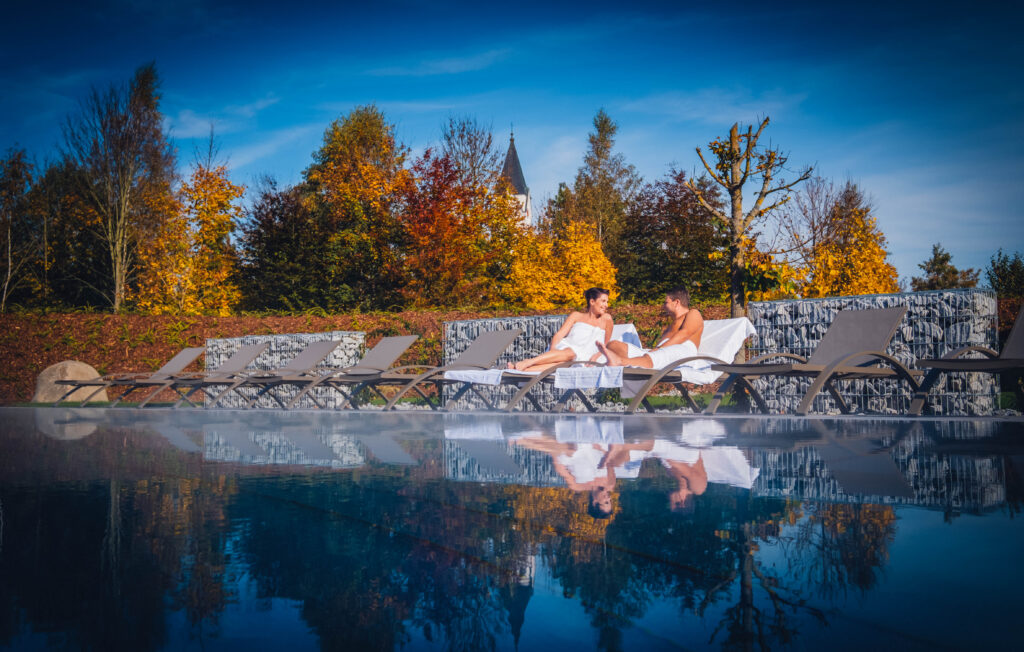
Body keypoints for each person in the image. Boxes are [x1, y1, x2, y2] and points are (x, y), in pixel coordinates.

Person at [509, 287, 613, 372]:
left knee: (563, 364)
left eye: (607, 302)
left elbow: (606, 344)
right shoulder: (576, 316)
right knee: (570, 354)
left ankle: (521, 369)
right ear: (592, 301)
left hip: (585, 356)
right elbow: (559, 334)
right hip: (567, 349)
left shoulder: (606, 319)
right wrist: (553, 350)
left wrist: (596, 356)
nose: (606, 305)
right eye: (603, 301)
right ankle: (528, 362)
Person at [596, 286, 703, 369]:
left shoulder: (693, 313)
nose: (663, 306)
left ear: (677, 302)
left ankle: (621, 362)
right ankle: (625, 362)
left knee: (653, 356)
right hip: (658, 354)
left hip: (682, 353)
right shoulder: (672, 325)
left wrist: (658, 349)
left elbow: (685, 334)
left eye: (666, 302)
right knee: (613, 345)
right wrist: (655, 350)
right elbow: (658, 351)